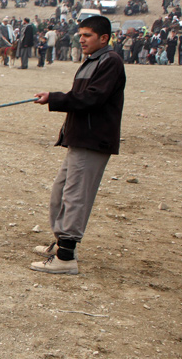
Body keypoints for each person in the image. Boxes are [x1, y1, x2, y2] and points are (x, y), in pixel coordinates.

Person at [30, 15, 125, 275]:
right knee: (60, 192)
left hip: (92, 141)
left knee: (75, 196)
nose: (81, 39)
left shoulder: (110, 62)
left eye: (87, 35)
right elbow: (81, 97)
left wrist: (55, 98)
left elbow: (91, 99)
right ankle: (61, 243)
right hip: (78, 138)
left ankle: (66, 258)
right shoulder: (91, 61)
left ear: (103, 38)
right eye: (80, 35)